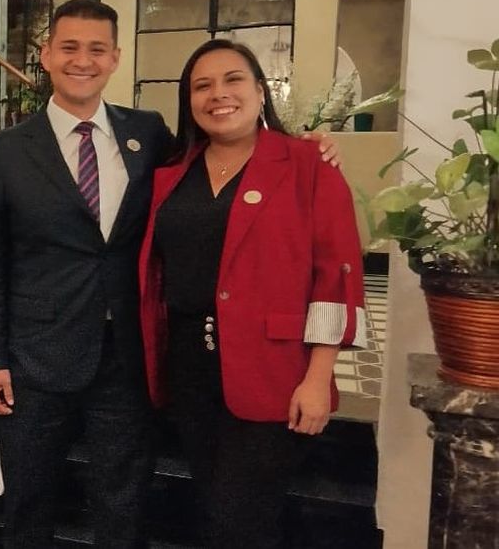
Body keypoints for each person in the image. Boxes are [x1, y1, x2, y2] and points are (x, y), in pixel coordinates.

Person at [137, 39, 365, 547]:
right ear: (189, 101)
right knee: (213, 504)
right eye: (202, 85)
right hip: (190, 372)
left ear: (261, 91)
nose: (218, 93)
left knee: (238, 520)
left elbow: (336, 278)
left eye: (233, 79)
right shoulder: (171, 174)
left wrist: (318, 378)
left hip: (274, 371)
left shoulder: (307, 163)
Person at [0, 0, 171, 548]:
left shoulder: (149, 134)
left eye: (97, 49)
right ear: (46, 55)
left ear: (115, 58)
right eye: (69, 48)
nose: (82, 60)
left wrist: (303, 149)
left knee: (122, 502)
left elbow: (211, 168)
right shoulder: (5, 151)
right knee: (29, 503)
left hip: (124, 355)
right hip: (35, 356)